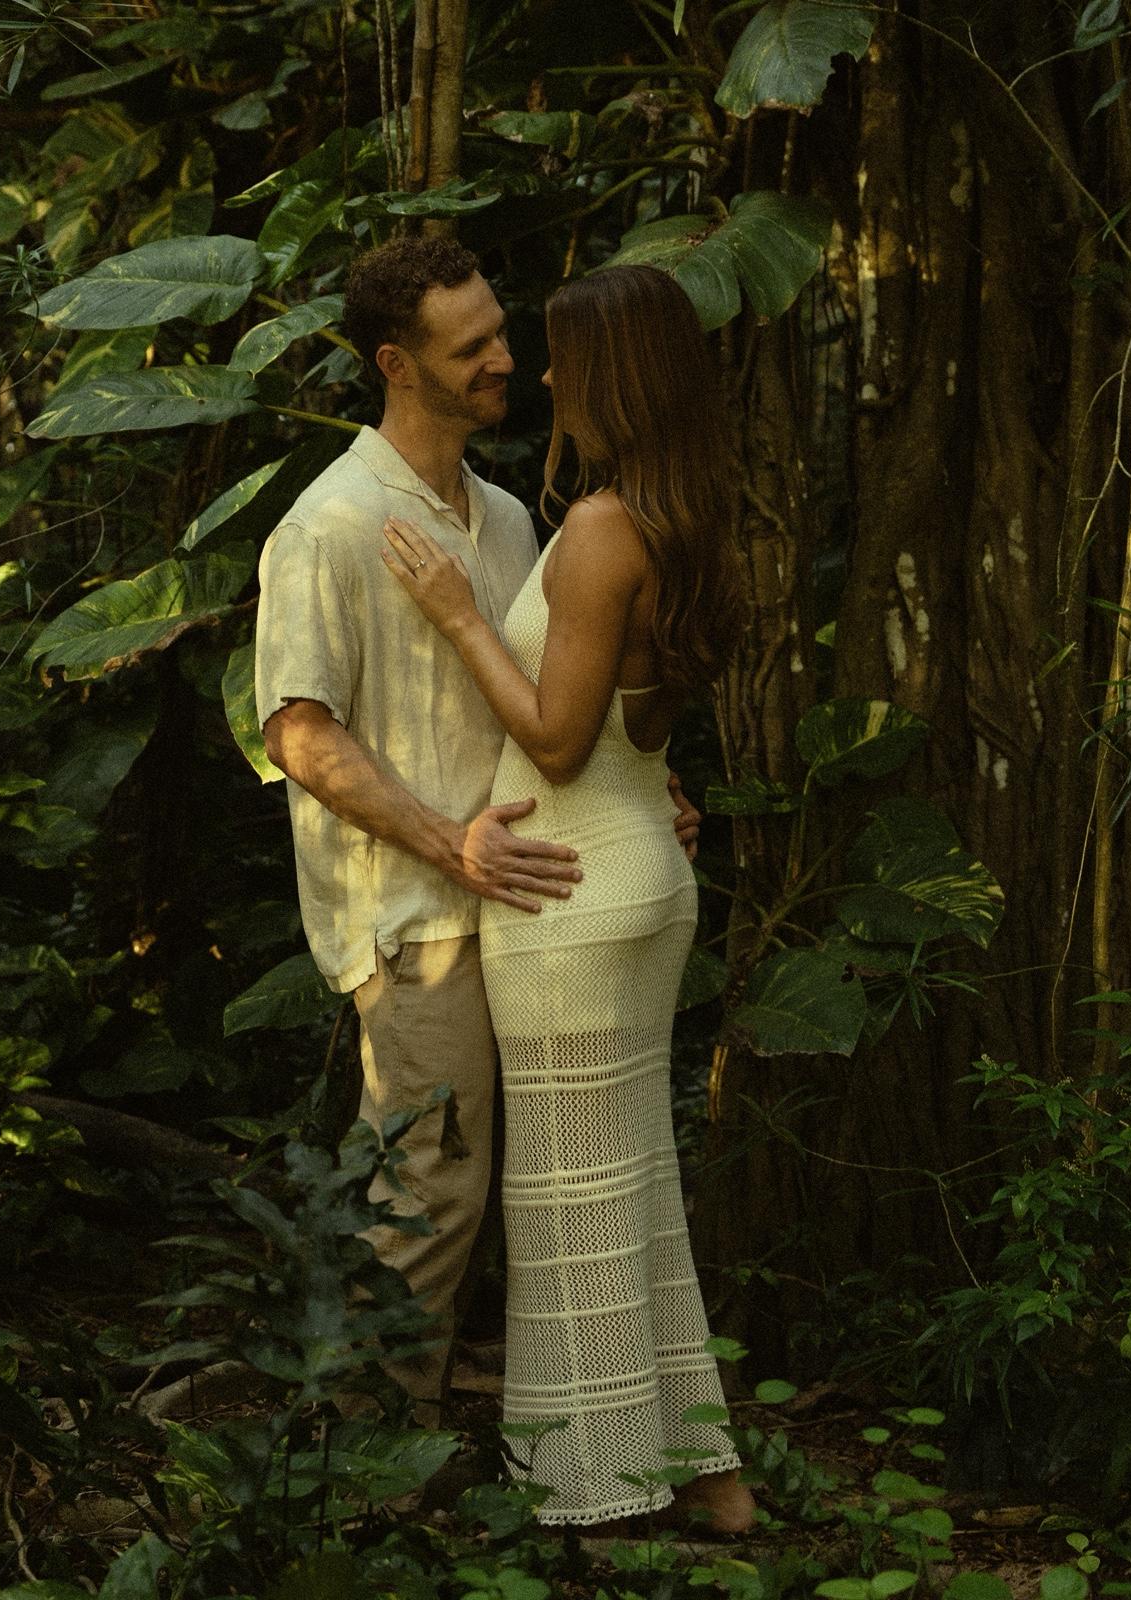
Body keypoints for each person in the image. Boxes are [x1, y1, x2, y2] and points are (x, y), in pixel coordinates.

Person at [253, 238, 700, 1429]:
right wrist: (451, 842)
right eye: (473, 347)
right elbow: (298, 732)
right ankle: (365, 1468)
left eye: (503, 331)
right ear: (396, 366)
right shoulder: (330, 523)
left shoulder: (505, 517)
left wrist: (639, 787)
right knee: (430, 1191)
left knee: (545, 1184)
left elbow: (562, 701)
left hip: (539, 908)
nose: (508, 359)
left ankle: (510, 1443)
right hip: (423, 920)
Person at [379, 263, 757, 1533]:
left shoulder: (600, 527)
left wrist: (457, 615)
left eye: (564, 358)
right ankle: (708, 1476)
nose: (544, 377)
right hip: (638, 868)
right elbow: (635, 732)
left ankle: (596, 1491)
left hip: (571, 895)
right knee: (634, 1189)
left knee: (570, 1206)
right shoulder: (684, 515)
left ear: (617, 378)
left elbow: (554, 738)